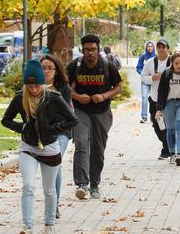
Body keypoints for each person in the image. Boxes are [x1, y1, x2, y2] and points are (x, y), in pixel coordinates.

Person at [1, 60, 77, 234]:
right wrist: (23, 128)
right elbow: (6, 120)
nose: (34, 89)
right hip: (28, 147)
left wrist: (53, 129)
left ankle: (49, 223)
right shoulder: (20, 97)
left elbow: (72, 119)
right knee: (28, 186)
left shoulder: (53, 97)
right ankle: (27, 228)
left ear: (43, 83)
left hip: (50, 148)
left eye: (37, 85)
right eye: (30, 85)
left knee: (49, 190)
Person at [67, 34, 122, 200]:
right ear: (82, 51)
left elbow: (118, 86)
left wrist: (104, 96)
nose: (90, 53)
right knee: (82, 143)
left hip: (102, 111)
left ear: (98, 50)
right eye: (87, 50)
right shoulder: (75, 65)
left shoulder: (107, 65)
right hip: (81, 110)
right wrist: (77, 96)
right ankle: (81, 184)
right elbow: (63, 86)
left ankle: (95, 184)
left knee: (98, 149)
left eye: (93, 49)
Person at [41, 54, 73, 219]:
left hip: (60, 132)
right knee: (50, 167)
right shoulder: (34, 86)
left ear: (56, 71)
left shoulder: (64, 88)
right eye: (43, 68)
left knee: (56, 163)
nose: (46, 71)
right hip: (40, 133)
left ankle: (54, 205)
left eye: (49, 68)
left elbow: (66, 114)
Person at [142, 39, 173, 159]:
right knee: (156, 125)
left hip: (170, 99)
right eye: (159, 47)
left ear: (167, 49)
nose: (161, 49)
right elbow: (143, 77)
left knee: (167, 125)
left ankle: (167, 149)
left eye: (163, 47)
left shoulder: (172, 61)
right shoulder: (150, 62)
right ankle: (166, 145)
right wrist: (152, 78)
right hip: (154, 98)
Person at [135, 41, 156, 124]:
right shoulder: (143, 57)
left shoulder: (156, 57)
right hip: (145, 81)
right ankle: (144, 117)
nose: (150, 48)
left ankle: (153, 116)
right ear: (146, 48)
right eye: (148, 46)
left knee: (153, 98)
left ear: (153, 47)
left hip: (154, 81)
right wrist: (142, 74)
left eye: (151, 46)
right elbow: (138, 67)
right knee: (144, 97)